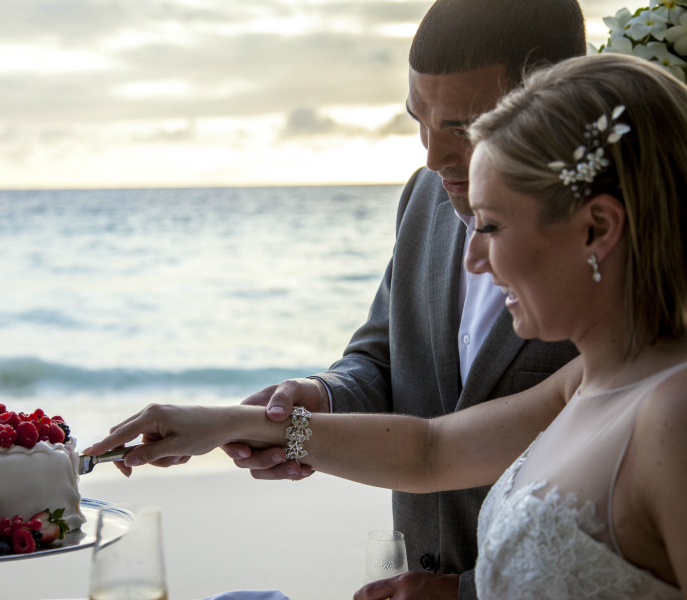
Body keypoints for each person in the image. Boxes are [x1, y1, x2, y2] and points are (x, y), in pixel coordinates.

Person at [86, 52, 687, 599]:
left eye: (494, 228)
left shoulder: (673, 415)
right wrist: (224, 424)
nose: (475, 259)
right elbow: (430, 451)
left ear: (598, 227)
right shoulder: (584, 382)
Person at [224, 1, 584, 598]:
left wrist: (464, 594)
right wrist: (320, 399)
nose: (433, 157)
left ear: (550, 98)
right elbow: (386, 362)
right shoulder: (424, 197)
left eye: (463, 128)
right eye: (420, 120)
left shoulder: (624, 268)